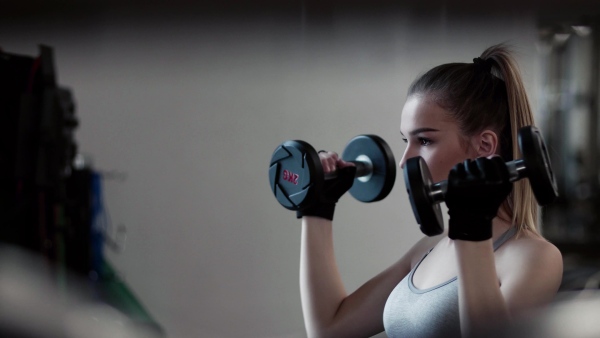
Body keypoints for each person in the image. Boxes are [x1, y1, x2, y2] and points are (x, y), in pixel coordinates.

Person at [296, 44, 563, 338]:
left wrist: (472, 229)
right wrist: (317, 207)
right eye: (405, 141)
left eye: (424, 141)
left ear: (484, 146)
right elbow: (329, 329)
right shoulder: (429, 248)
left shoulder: (535, 257)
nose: (404, 160)